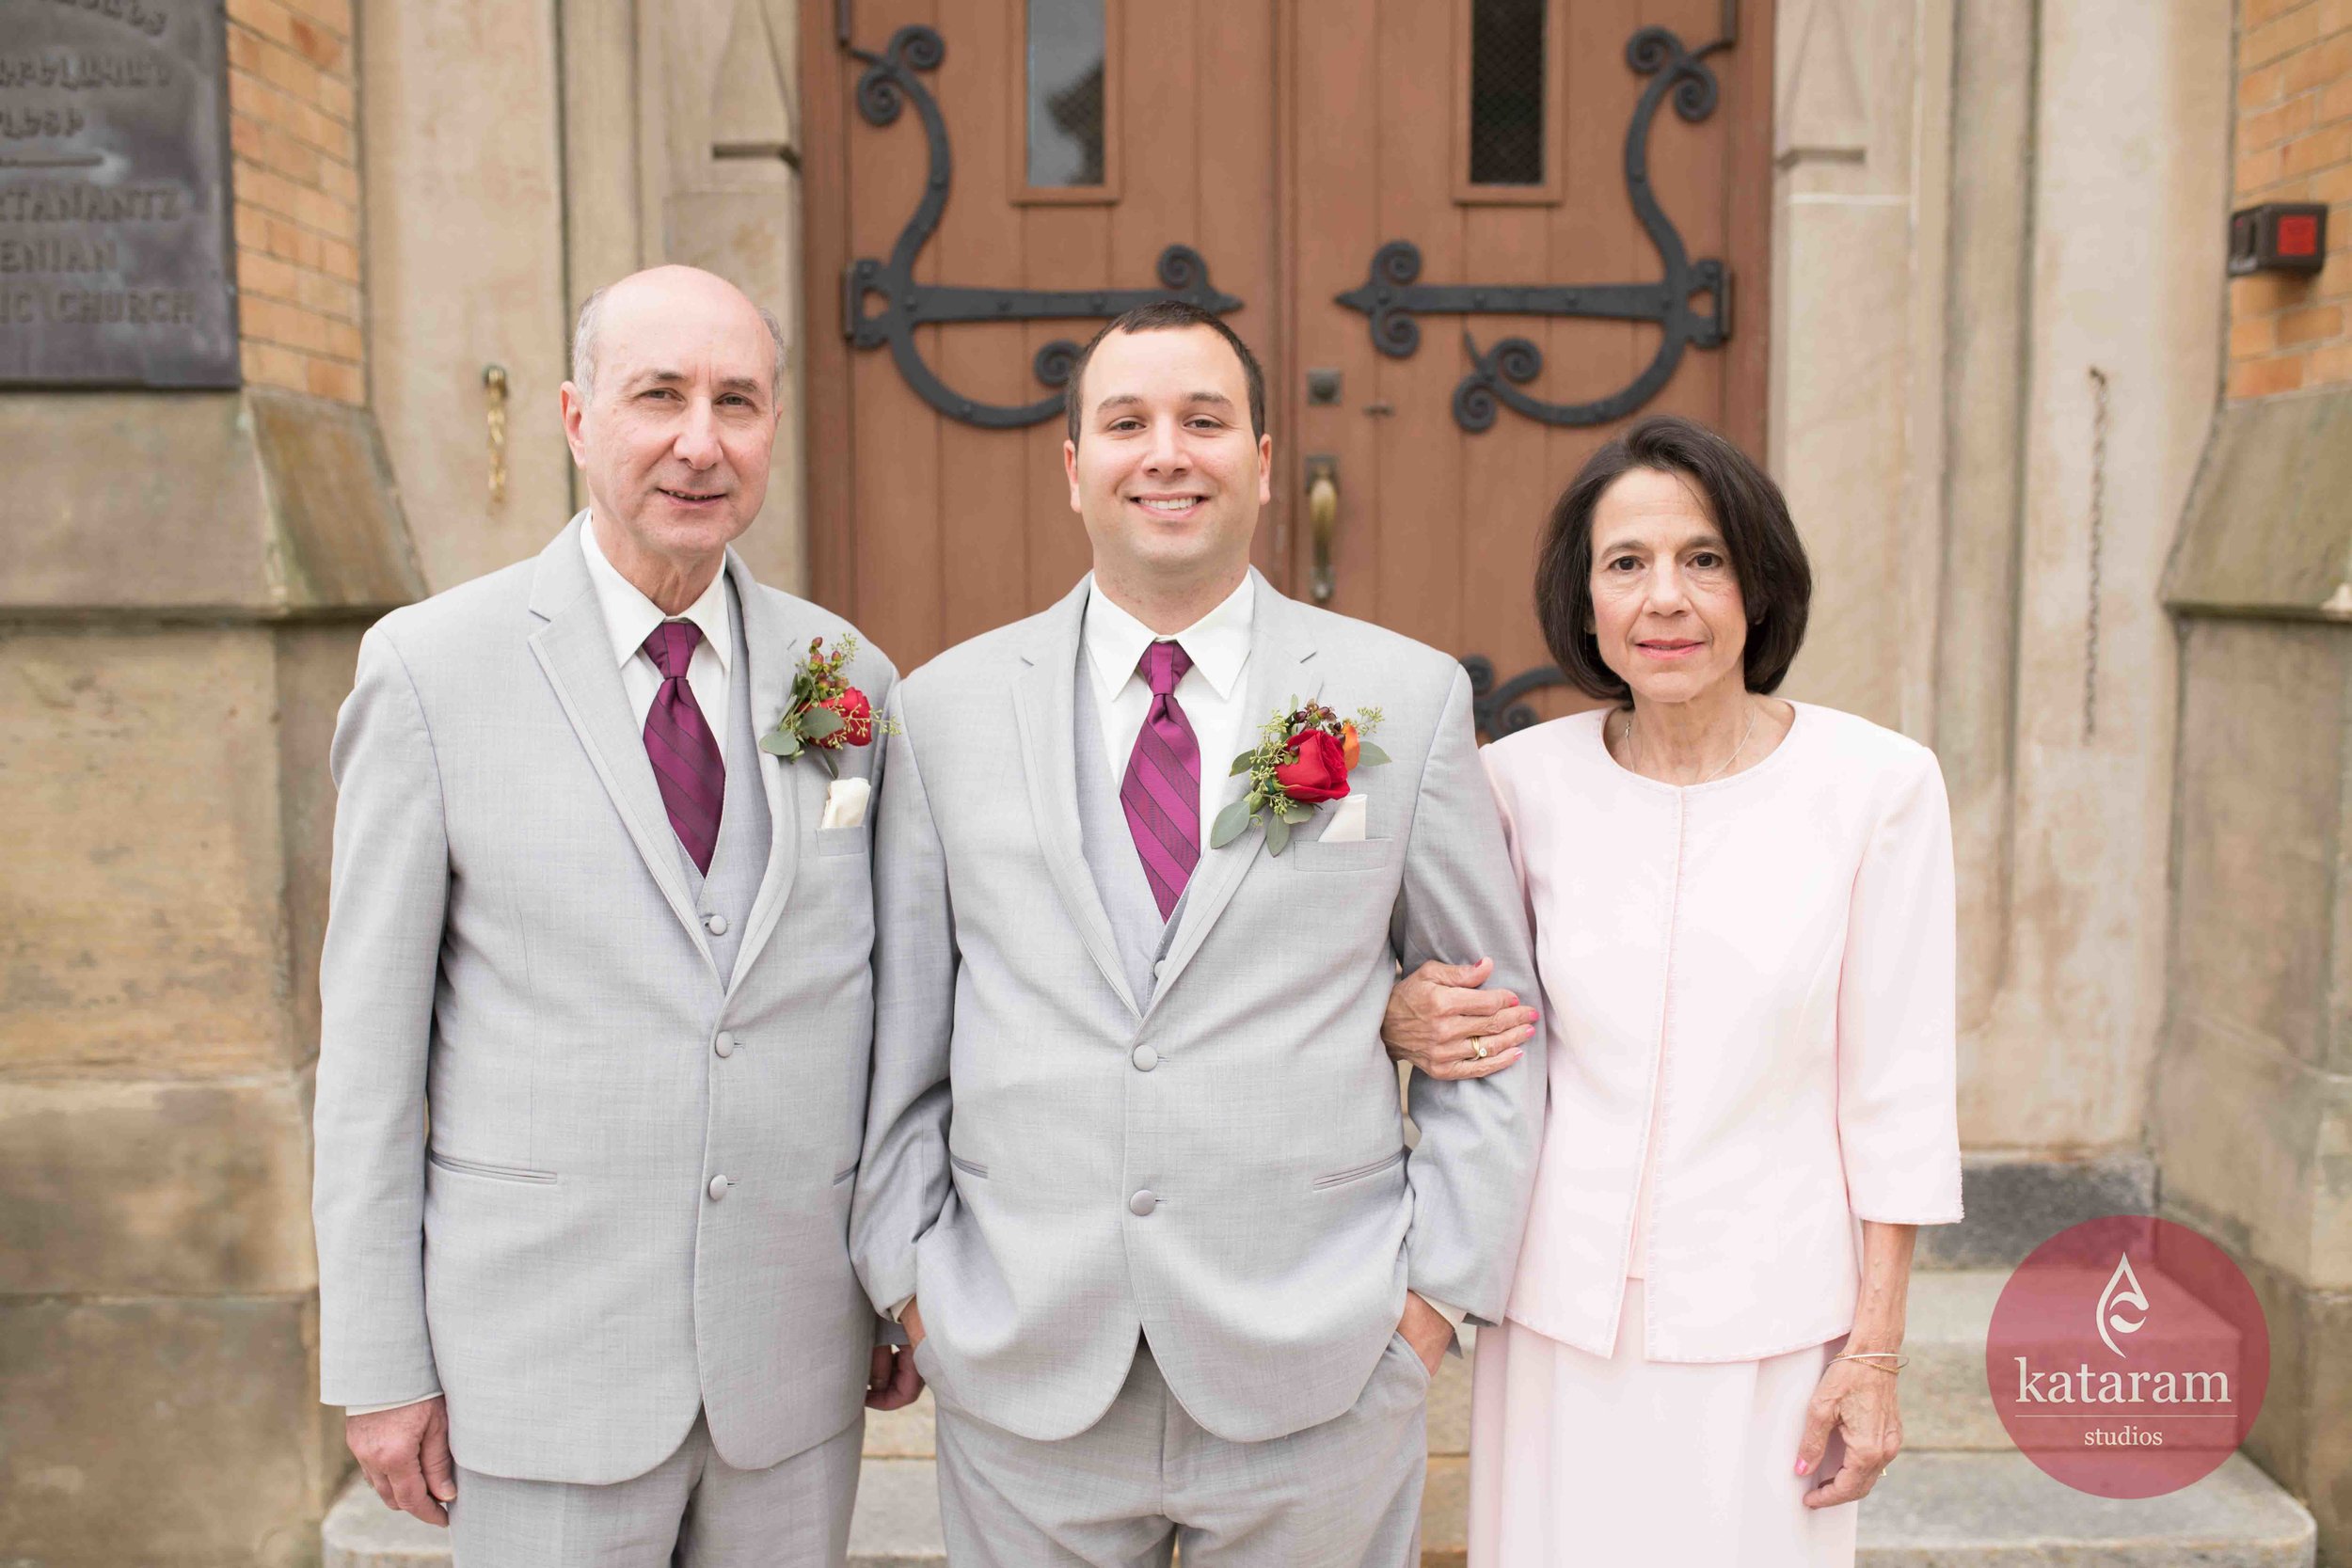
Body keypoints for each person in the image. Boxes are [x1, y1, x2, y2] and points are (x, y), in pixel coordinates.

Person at [850, 299, 1547, 1567]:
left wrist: (1430, 1304)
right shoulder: (943, 709)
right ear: (1074, 466)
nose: (1166, 453)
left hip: (1322, 1367)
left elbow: (1491, 1022)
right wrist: (913, 1283)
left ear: (1264, 462)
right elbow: (903, 1037)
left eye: (1205, 420)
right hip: (1024, 1369)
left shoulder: (1402, 696)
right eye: (1127, 423)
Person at [312, 265, 914, 1568]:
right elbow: (367, 1056)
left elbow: (884, 1006)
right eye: (660, 396)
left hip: (791, 1358)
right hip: (539, 1357)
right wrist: (378, 1357)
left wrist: (894, 1277)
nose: (701, 441)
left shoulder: (847, 676)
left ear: (772, 427)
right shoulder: (430, 670)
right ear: (579, 418)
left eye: (737, 401)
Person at [1386, 414, 1963, 1566]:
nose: (1664, 598)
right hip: (1556, 1319)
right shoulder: (1512, 784)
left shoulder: (1877, 786)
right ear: (1585, 600)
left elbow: (1897, 1086)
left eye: (1704, 559)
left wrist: (1875, 1350)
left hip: (1775, 1326)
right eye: (1626, 563)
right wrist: (1398, 1015)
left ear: (1760, 584)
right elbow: (1416, 979)